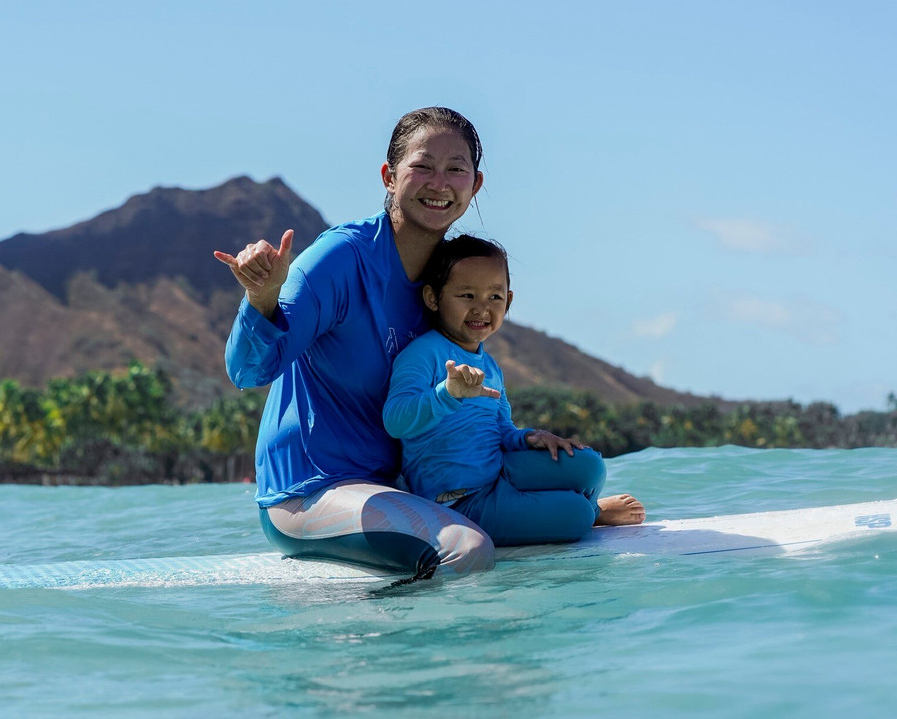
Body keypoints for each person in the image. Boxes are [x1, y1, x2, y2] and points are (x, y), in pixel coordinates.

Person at [214, 107, 628, 578]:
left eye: (457, 169)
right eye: (422, 166)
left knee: (581, 469)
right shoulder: (341, 260)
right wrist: (261, 298)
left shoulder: (450, 283)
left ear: (474, 185)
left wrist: (525, 440)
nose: (440, 182)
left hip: (402, 485)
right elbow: (247, 372)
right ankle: (412, 652)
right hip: (312, 489)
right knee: (466, 548)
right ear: (390, 176)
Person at [382, 235, 645, 546]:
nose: (481, 308)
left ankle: (580, 509)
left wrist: (528, 437)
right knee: (573, 516)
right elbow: (394, 420)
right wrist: (447, 394)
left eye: (494, 297)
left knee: (589, 465)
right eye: (467, 295)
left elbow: (501, 430)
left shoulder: (490, 365)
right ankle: (591, 512)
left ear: (508, 300)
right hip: (458, 502)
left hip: (499, 473)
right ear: (433, 297)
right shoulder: (423, 354)